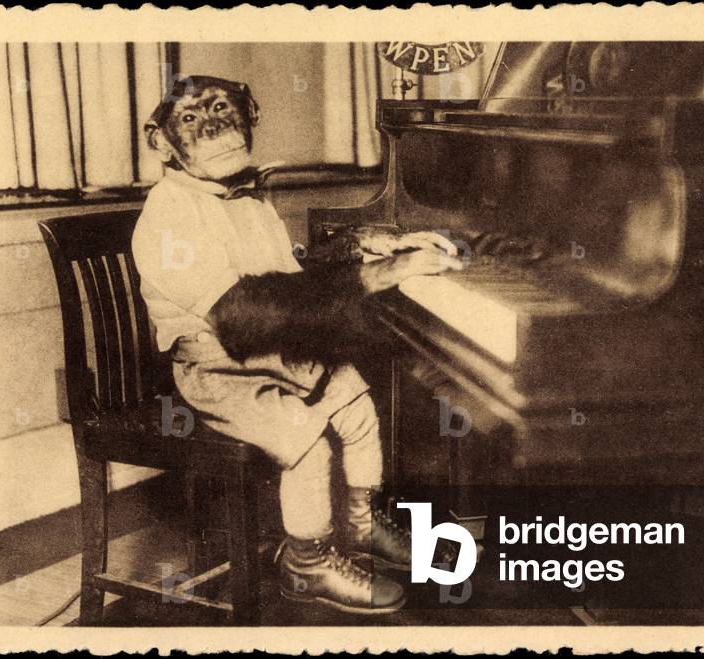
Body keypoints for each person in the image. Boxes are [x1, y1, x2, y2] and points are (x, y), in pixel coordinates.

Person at [131, 75, 462, 614]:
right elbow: (245, 315)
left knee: (355, 396)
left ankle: (360, 523)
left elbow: (289, 279)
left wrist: (364, 248)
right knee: (308, 436)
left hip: (262, 350)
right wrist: (378, 276)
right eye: (190, 119)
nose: (213, 126)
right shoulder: (170, 215)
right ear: (161, 141)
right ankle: (305, 564)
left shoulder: (245, 200)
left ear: (249, 116)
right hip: (215, 368)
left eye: (221, 110)